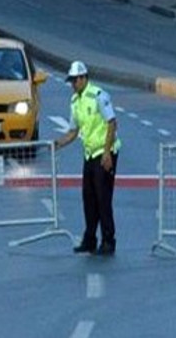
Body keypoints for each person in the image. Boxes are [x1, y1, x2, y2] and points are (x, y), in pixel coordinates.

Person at [54, 61, 121, 256]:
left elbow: (111, 123)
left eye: (75, 80)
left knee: (103, 198)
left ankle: (108, 240)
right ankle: (90, 239)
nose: (73, 85)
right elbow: (74, 131)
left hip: (105, 152)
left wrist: (107, 153)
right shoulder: (75, 101)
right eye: (71, 81)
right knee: (88, 197)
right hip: (90, 153)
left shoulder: (99, 96)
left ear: (83, 78)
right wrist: (57, 144)